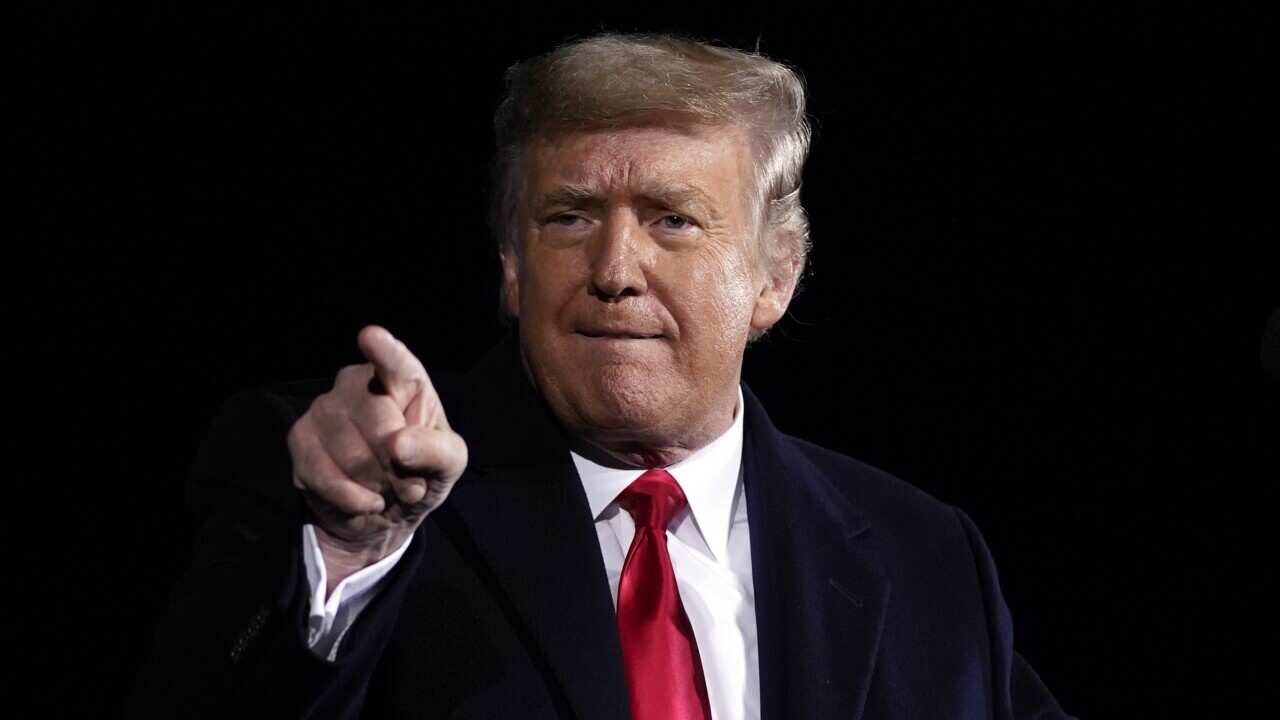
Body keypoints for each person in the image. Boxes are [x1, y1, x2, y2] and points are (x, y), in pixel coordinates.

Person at [132, 33, 1073, 719]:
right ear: (511, 265)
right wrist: (345, 554)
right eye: (570, 218)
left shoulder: (923, 556)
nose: (615, 269)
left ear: (774, 278)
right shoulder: (345, 486)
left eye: (672, 219)